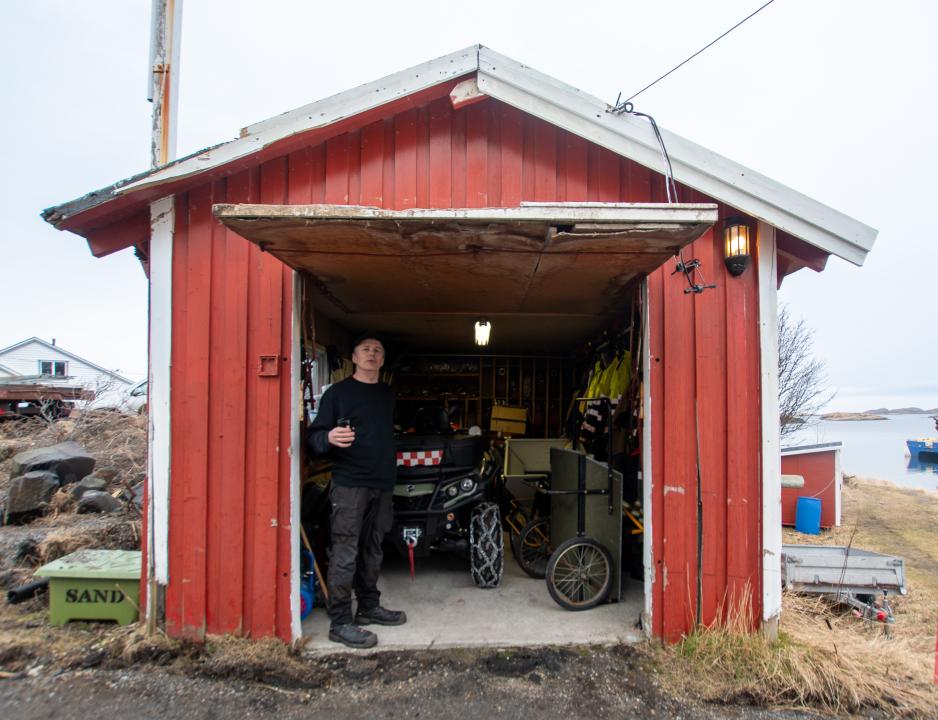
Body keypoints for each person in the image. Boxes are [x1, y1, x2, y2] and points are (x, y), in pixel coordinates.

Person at [307, 333, 406, 648]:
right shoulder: (337, 394)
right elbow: (315, 438)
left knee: (374, 546)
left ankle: (368, 606)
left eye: (378, 350)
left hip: (382, 482)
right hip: (349, 483)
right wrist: (329, 438)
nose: (372, 354)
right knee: (346, 549)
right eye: (366, 349)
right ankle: (340, 621)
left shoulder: (387, 394)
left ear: (383, 359)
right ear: (354, 357)